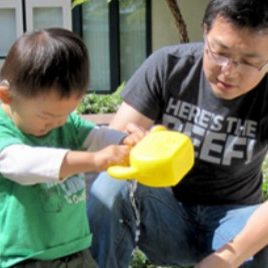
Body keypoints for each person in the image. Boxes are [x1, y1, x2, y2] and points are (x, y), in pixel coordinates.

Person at [87, 0, 268, 267]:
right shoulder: (169, 66)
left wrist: (228, 257)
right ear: (205, 31)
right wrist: (139, 147)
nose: (229, 71)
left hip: (235, 220)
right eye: (220, 52)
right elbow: (113, 152)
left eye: (249, 62)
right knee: (110, 186)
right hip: (166, 213)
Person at [0, 28, 144, 268]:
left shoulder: (63, 122)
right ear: (7, 96)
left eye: (66, 114)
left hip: (76, 248)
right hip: (25, 257)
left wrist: (123, 142)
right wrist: (95, 161)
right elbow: (23, 163)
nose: (57, 123)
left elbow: (97, 136)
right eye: (47, 116)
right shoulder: (4, 130)